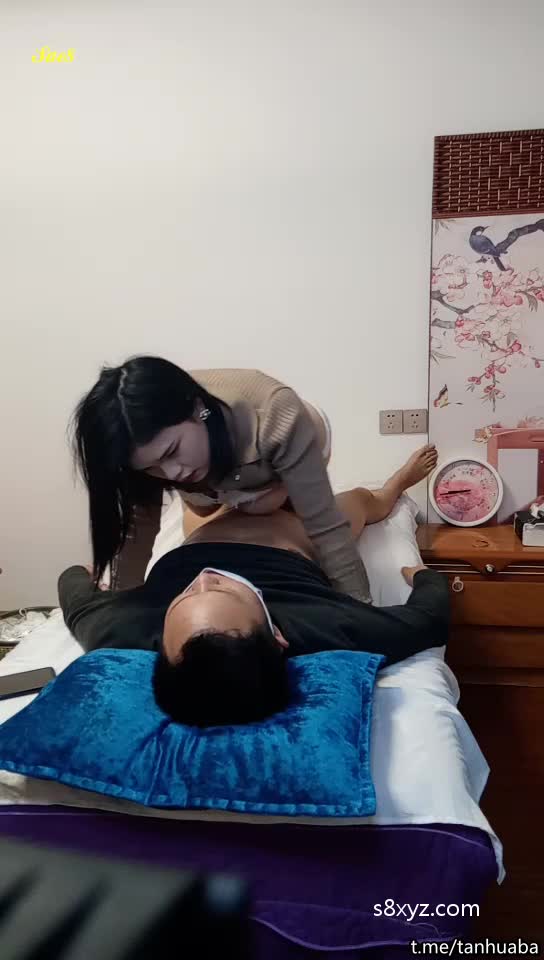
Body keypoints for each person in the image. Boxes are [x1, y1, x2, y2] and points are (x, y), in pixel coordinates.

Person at [58, 486, 449, 728]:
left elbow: (76, 598)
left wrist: (82, 573)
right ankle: (395, 486)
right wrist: (422, 576)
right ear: (276, 635)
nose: (205, 577)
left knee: (204, 499)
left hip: (212, 526)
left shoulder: (129, 627)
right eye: (223, 590)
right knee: (363, 501)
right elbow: (427, 619)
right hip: (298, 531)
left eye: (185, 595)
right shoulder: (326, 624)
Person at [71, 356, 437, 603]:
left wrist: (358, 609)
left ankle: (393, 486)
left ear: (197, 409)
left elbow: (326, 528)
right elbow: (136, 534)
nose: (171, 474)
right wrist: (120, 605)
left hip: (289, 449)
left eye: (171, 452)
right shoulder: (151, 446)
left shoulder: (275, 415)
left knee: (280, 504)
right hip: (217, 475)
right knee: (198, 514)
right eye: (152, 468)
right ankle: (235, 495)